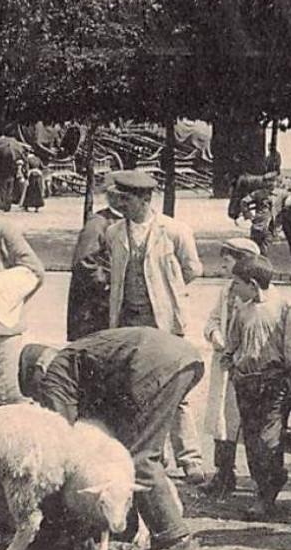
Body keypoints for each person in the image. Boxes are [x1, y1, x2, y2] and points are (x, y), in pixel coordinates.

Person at [19, 329, 206, 550]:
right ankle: (131, 531)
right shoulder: (79, 358)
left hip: (155, 366)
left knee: (139, 458)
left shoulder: (55, 371)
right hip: (181, 357)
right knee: (133, 449)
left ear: (38, 371)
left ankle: (175, 543)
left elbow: (62, 436)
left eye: (37, 391)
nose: (41, 398)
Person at [83, 168, 206, 480]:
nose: (122, 205)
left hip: (163, 322)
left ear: (146, 199)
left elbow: (192, 269)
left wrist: (169, 298)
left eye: (128, 199)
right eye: (120, 199)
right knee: (135, 390)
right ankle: (152, 454)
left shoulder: (175, 231)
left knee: (176, 389)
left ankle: (190, 457)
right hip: (128, 322)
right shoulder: (113, 233)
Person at [222, 255, 291, 518]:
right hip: (245, 383)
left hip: (273, 384)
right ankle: (264, 485)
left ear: (252, 284)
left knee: (268, 439)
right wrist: (232, 362)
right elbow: (233, 344)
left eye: (237, 283)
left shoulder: (285, 308)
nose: (233, 288)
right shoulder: (243, 310)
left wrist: (290, 382)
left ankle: (267, 493)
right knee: (251, 439)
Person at [200, 236, 262, 498]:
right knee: (222, 421)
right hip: (224, 362)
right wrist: (215, 336)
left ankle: (261, 481)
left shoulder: (257, 295)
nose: (223, 267)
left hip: (246, 366)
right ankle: (223, 474)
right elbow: (213, 319)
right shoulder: (226, 291)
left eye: (228, 261)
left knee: (248, 423)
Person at [66, 173, 124, 342]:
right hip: (93, 307)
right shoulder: (98, 223)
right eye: (123, 197)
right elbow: (85, 263)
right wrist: (110, 283)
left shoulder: (124, 221)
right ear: (112, 197)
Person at [0, 129, 27, 212]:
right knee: (9, 190)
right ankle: (6, 206)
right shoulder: (14, 152)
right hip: (10, 174)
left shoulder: (0, 149)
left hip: (0, 174)